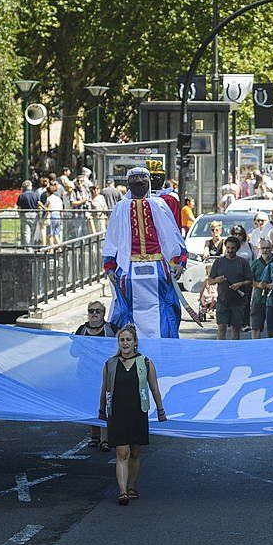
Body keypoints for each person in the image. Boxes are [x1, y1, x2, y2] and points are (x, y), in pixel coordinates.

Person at [101, 167, 187, 338]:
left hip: (146, 269)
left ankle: (161, 344)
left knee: (162, 305)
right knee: (133, 307)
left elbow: (171, 234)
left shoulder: (156, 204)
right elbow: (113, 238)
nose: (139, 185)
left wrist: (179, 260)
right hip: (136, 269)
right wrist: (110, 266)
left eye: (141, 181)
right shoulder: (124, 207)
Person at [99, 325, 166, 505]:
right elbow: (104, 389)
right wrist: (101, 410)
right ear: (118, 343)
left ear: (135, 342)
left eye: (129, 339)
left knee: (135, 452)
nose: (125, 343)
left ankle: (132, 486)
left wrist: (160, 410)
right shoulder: (110, 364)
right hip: (117, 414)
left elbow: (154, 388)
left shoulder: (145, 362)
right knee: (122, 452)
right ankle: (122, 491)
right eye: (122, 340)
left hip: (138, 412)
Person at [75, 301, 117, 451]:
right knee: (90, 405)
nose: (94, 314)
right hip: (86, 375)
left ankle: (105, 439)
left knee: (105, 405)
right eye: (91, 311)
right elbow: (73, 353)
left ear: (103, 313)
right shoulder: (81, 330)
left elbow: (119, 348)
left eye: (97, 311)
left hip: (105, 374)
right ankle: (94, 436)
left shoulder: (110, 329)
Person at [207, 236, 253, 340]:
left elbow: (250, 280)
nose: (230, 250)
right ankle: (221, 350)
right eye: (228, 248)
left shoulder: (243, 262)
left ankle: (234, 352)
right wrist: (217, 280)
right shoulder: (219, 262)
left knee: (236, 329)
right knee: (221, 328)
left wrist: (239, 284)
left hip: (238, 302)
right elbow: (209, 281)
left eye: (232, 248)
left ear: (237, 249)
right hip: (222, 301)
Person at [248, 239, 273, 339]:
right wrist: (259, 285)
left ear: (271, 249)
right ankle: (255, 347)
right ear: (260, 249)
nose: (265, 250)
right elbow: (248, 281)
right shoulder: (255, 263)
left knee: (272, 328)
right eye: (263, 248)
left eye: (267, 248)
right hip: (258, 298)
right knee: (256, 326)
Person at [16, 180, 41, 248]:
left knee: (26, 231)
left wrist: (19, 214)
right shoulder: (36, 194)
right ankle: (32, 244)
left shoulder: (21, 195)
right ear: (30, 186)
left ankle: (28, 246)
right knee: (33, 231)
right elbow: (38, 205)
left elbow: (19, 207)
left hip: (25, 214)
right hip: (34, 214)